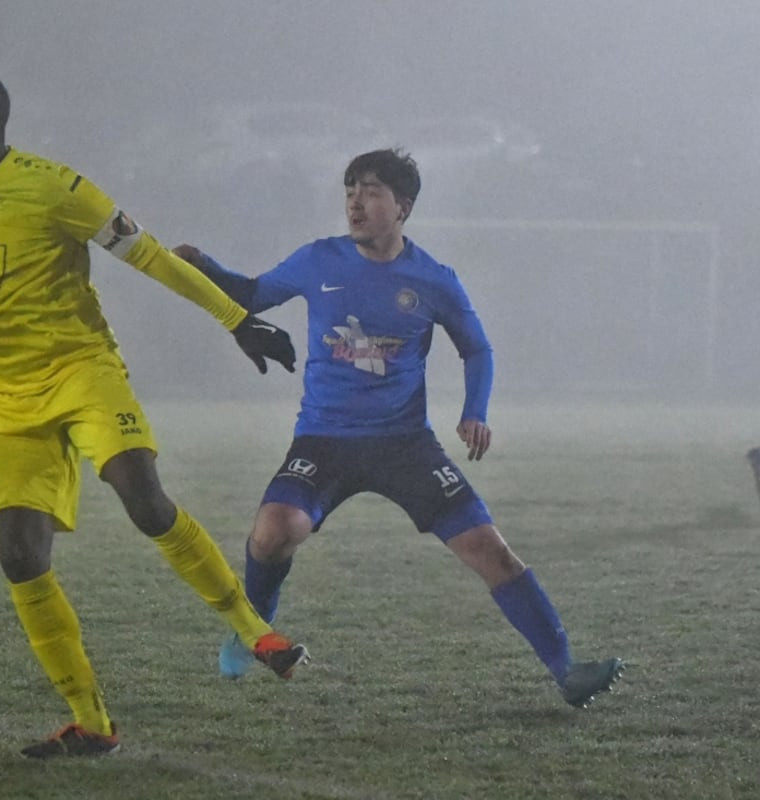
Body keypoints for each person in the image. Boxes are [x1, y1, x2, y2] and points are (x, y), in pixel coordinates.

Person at [0, 68, 308, 759]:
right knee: (20, 556)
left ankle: (256, 631)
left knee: (143, 499)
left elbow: (148, 255)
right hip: (6, 398)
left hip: (80, 370)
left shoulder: (57, 186)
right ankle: (90, 722)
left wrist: (235, 319)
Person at [174, 148, 624, 709]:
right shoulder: (320, 260)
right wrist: (203, 263)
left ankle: (567, 670)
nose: (355, 202)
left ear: (402, 205)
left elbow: (476, 347)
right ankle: (256, 628)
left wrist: (474, 410)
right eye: (349, 190)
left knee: (492, 550)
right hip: (325, 438)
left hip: (405, 444)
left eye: (370, 191)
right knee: (274, 531)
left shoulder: (432, 279)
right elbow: (251, 293)